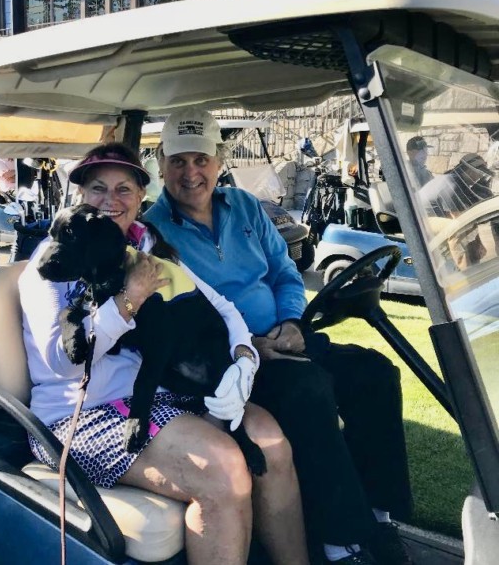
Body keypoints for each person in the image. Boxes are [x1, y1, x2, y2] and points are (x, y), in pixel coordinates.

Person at [145, 107, 414, 565]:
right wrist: (246, 348)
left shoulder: (244, 206)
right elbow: (179, 319)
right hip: (224, 362)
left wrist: (291, 322)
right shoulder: (154, 232)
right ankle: (341, 542)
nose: (191, 173)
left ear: (219, 160)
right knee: (307, 389)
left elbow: (285, 273)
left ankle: (379, 514)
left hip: (285, 335)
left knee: (373, 371)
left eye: (201, 159)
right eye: (178, 161)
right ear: (161, 164)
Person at [19, 142, 309, 565]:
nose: (111, 200)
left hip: (160, 395)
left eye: (124, 189)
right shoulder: (54, 264)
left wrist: (245, 357)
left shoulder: (147, 251)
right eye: (98, 188)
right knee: (222, 468)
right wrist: (128, 300)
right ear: (81, 194)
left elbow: (220, 305)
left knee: (270, 441)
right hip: (80, 415)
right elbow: (63, 362)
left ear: (141, 197)